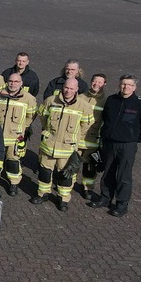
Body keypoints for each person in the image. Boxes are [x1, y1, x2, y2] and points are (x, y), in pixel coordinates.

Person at [88, 74, 141, 217]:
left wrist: (134, 139)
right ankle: (105, 198)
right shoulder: (112, 100)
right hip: (110, 144)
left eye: (129, 85)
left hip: (127, 146)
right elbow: (106, 119)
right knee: (108, 172)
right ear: (119, 85)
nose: (126, 87)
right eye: (123, 84)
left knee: (124, 176)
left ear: (134, 87)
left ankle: (121, 204)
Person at [32, 78, 93, 212]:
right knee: (45, 172)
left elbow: (86, 126)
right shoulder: (50, 101)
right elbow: (42, 116)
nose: (68, 91)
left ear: (77, 89)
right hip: (49, 146)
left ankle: (63, 199)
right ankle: (43, 194)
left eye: (71, 88)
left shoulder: (84, 107)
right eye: (66, 87)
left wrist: (73, 137)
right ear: (62, 87)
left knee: (66, 176)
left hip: (67, 149)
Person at [0, 74, 36, 196]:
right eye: (10, 81)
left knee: (13, 162)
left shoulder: (28, 99)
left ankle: (13, 183)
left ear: (21, 83)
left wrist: (21, 128)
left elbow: (31, 116)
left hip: (15, 138)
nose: (13, 84)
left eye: (16, 81)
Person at [78, 74, 108, 200]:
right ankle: (66, 184)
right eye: (94, 81)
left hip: (93, 139)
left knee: (90, 166)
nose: (96, 84)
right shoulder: (80, 97)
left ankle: (87, 188)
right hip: (78, 137)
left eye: (99, 82)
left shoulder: (106, 101)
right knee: (72, 163)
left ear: (104, 84)